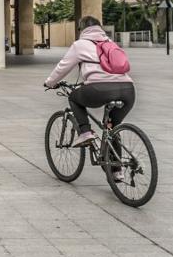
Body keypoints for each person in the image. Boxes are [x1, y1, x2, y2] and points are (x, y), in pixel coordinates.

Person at [43, 17, 135, 181]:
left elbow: (63, 66)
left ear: (81, 29)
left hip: (100, 89)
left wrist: (50, 83)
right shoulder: (110, 42)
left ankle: (85, 132)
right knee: (112, 127)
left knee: (74, 97)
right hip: (128, 90)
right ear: (100, 28)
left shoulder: (80, 45)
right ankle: (116, 171)